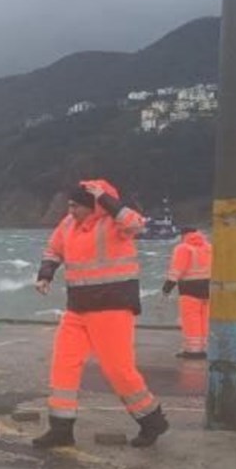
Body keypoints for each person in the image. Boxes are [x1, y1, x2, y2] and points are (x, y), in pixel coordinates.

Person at [33, 180, 169, 448]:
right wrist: (45, 274)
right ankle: (61, 428)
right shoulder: (67, 225)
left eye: (75, 205)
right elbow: (53, 249)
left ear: (93, 206)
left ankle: (152, 420)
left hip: (112, 307)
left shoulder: (115, 222)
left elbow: (136, 224)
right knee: (63, 365)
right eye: (69, 205)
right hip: (78, 309)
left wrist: (107, 200)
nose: (70, 210)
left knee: (118, 370)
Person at [163, 227, 212, 359]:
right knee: (206, 319)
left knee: (191, 319)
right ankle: (206, 348)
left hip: (189, 289)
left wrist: (167, 287)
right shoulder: (208, 247)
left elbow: (176, 270)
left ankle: (193, 351)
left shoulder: (183, 248)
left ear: (183, 235)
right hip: (208, 288)